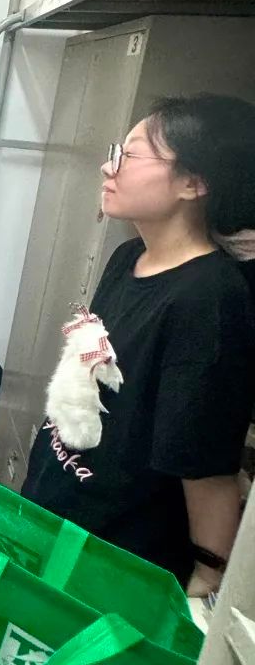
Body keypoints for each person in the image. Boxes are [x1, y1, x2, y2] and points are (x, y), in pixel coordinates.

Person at [23, 95, 255, 595]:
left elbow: (204, 461)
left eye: (129, 155)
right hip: (60, 513)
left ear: (194, 182)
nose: (109, 167)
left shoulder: (210, 297)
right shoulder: (129, 257)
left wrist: (207, 577)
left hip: (119, 557)